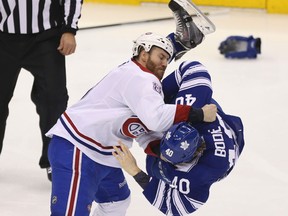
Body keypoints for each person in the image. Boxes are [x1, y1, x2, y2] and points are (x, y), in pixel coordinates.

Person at [45, 1, 217, 215]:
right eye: (161, 57)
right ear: (143, 54)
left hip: (103, 152)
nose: (165, 63)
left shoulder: (142, 82)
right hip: (77, 149)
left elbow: (143, 128)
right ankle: (181, 41)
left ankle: (181, 41)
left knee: (117, 203)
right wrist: (198, 114)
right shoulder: (141, 78)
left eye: (167, 57)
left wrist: (161, 151)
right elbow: (155, 119)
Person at [112, 60, 245, 216]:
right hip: (210, 121)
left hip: (224, 149)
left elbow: (173, 207)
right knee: (162, 111)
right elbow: (193, 67)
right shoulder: (197, 107)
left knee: (154, 168)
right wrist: (153, 99)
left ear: (185, 161)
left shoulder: (198, 177)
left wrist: (135, 171)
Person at [0, 0, 83, 181]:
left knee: (54, 100)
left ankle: (54, 160)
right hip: (3, 37)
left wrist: (69, 29)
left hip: (46, 37)